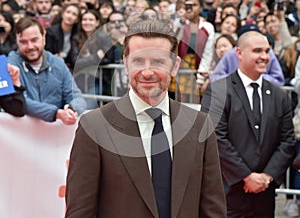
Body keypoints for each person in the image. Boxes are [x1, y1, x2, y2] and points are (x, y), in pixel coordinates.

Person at [65, 19, 227, 217]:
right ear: (125, 63)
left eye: (158, 61)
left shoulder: (199, 125)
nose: (147, 72)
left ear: (175, 65)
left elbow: (213, 209)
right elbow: (80, 212)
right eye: (138, 61)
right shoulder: (95, 127)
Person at [201, 30, 295, 217]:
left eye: (267, 51)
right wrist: (245, 176)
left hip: (264, 196)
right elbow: (215, 137)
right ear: (239, 53)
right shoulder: (218, 91)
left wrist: (266, 177)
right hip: (227, 194)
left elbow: (287, 141)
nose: (264, 57)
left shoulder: (279, 95)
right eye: (257, 51)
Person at [7, 17, 86, 124]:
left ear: (43, 38)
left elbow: (76, 96)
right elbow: (20, 102)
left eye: (34, 40)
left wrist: (72, 109)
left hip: (56, 134)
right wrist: (56, 113)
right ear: (17, 42)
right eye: (23, 42)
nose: (30, 46)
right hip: (23, 134)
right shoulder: (11, 65)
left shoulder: (58, 63)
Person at [210, 23, 285, 87]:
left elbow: (278, 80)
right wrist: (238, 79)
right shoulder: (231, 54)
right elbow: (215, 77)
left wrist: (257, 79)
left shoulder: (269, 53)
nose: (264, 56)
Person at [45, 3, 81, 70]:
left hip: (71, 67)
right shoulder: (52, 31)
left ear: (77, 19)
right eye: (68, 12)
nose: (70, 16)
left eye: (74, 14)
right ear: (62, 14)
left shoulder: (77, 33)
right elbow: (47, 51)